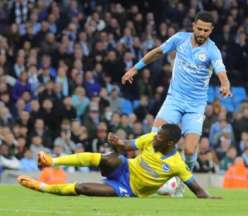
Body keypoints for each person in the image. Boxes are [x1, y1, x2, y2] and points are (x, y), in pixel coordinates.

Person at [121, 11, 231, 172]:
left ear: (211, 30)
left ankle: (183, 180)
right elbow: (158, 52)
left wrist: (225, 84)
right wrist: (135, 69)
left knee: (189, 150)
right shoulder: (180, 39)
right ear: (193, 26)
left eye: (206, 30)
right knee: (155, 138)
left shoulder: (212, 50)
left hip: (196, 105)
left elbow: (221, 71)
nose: (201, 33)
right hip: (175, 99)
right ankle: (146, 174)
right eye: (199, 29)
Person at [18, 124, 220, 199]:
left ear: (170, 143)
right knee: (110, 158)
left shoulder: (176, 163)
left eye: (160, 138)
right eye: (156, 135)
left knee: (83, 188)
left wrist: (210, 199)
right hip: (126, 167)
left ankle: (41, 187)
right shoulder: (151, 138)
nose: (155, 138)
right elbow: (128, 145)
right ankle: (51, 161)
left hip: (129, 188)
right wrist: (118, 142)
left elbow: (198, 190)